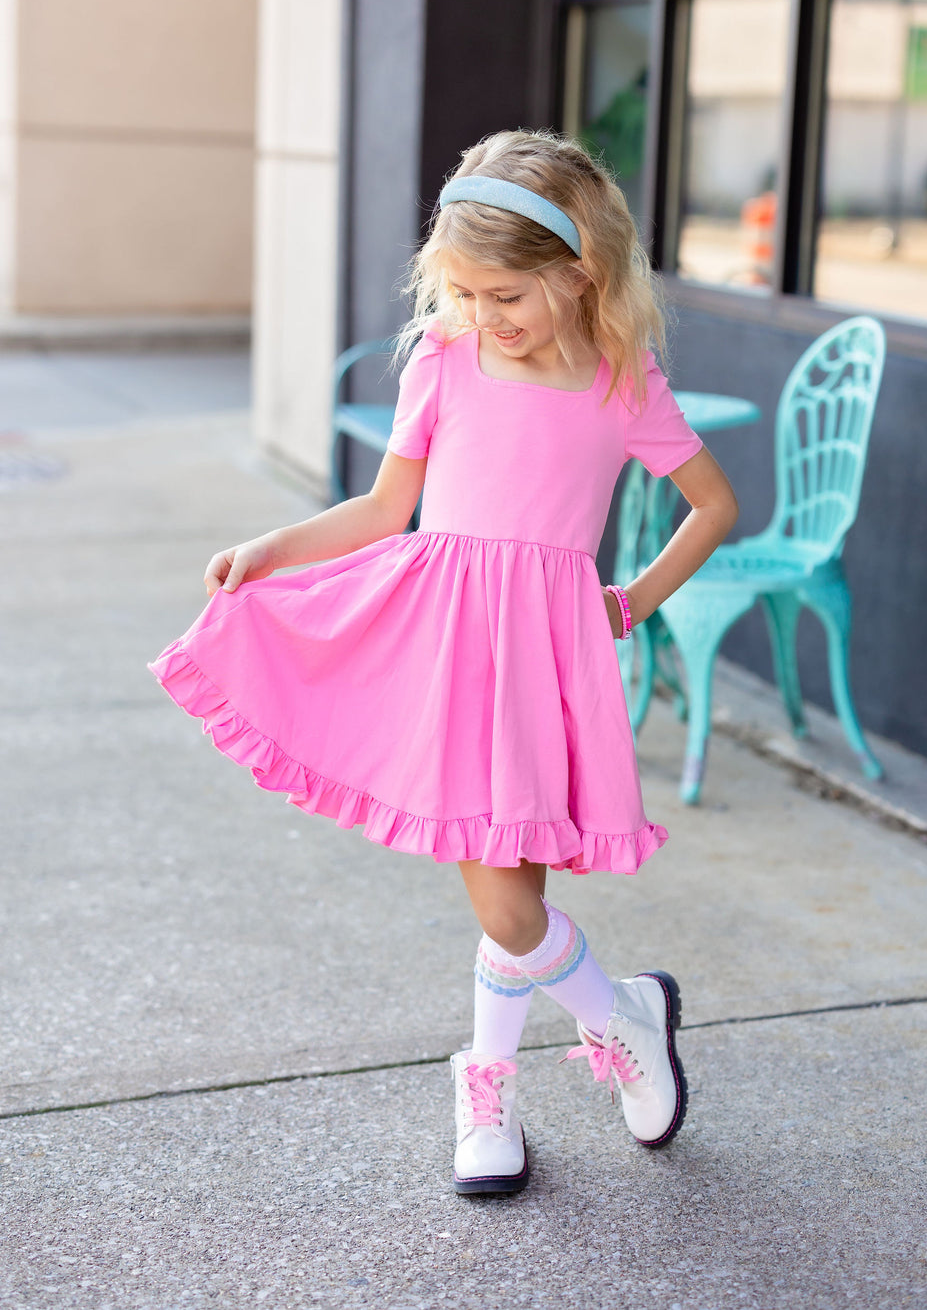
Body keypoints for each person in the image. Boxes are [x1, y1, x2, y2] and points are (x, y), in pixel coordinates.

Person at [149, 129, 738, 1196]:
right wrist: (271, 550)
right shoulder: (447, 363)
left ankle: (503, 1083)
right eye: (463, 294)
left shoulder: (621, 383)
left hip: (546, 660)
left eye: (504, 294)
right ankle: (615, 1023)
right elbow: (385, 508)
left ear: (578, 273)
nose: (483, 317)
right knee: (503, 902)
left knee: (515, 891)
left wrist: (631, 600)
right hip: (450, 654)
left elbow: (714, 506)